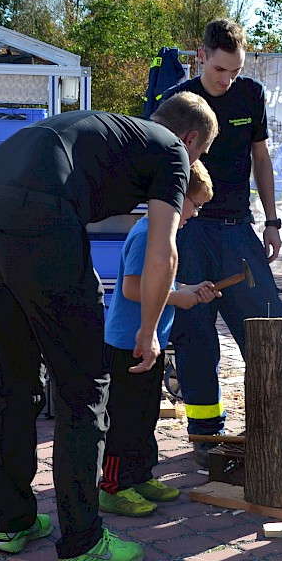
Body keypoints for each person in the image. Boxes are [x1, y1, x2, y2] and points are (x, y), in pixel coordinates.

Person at [0, 92, 218, 561]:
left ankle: (13, 522)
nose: (190, 167)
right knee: (86, 386)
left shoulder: (118, 131)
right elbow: (165, 252)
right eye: (197, 157)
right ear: (190, 140)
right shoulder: (171, 151)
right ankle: (82, 542)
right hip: (41, 210)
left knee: (17, 379)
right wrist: (149, 332)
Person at [162, 19, 282, 465]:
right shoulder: (176, 103)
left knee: (271, 327)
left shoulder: (251, 95)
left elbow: (261, 157)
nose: (226, 79)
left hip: (239, 229)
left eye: (234, 71)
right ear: (201, 56)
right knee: (195, 336)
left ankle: (279, 423)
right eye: (219, 70)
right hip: (191, 229)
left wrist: (271, 221)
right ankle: (206, 436)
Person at [100, 162, 220, 517]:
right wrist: (177, 297)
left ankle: (139, 476)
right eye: (194, 205)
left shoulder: (161, 234)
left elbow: (161, 284)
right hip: (126, 343)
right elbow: (133, 287)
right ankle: (112, 486)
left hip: (151, 341)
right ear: (175, 198)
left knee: (145, 414)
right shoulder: (145, 234)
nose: (194, 214)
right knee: (123, 418)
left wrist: (186, 290)